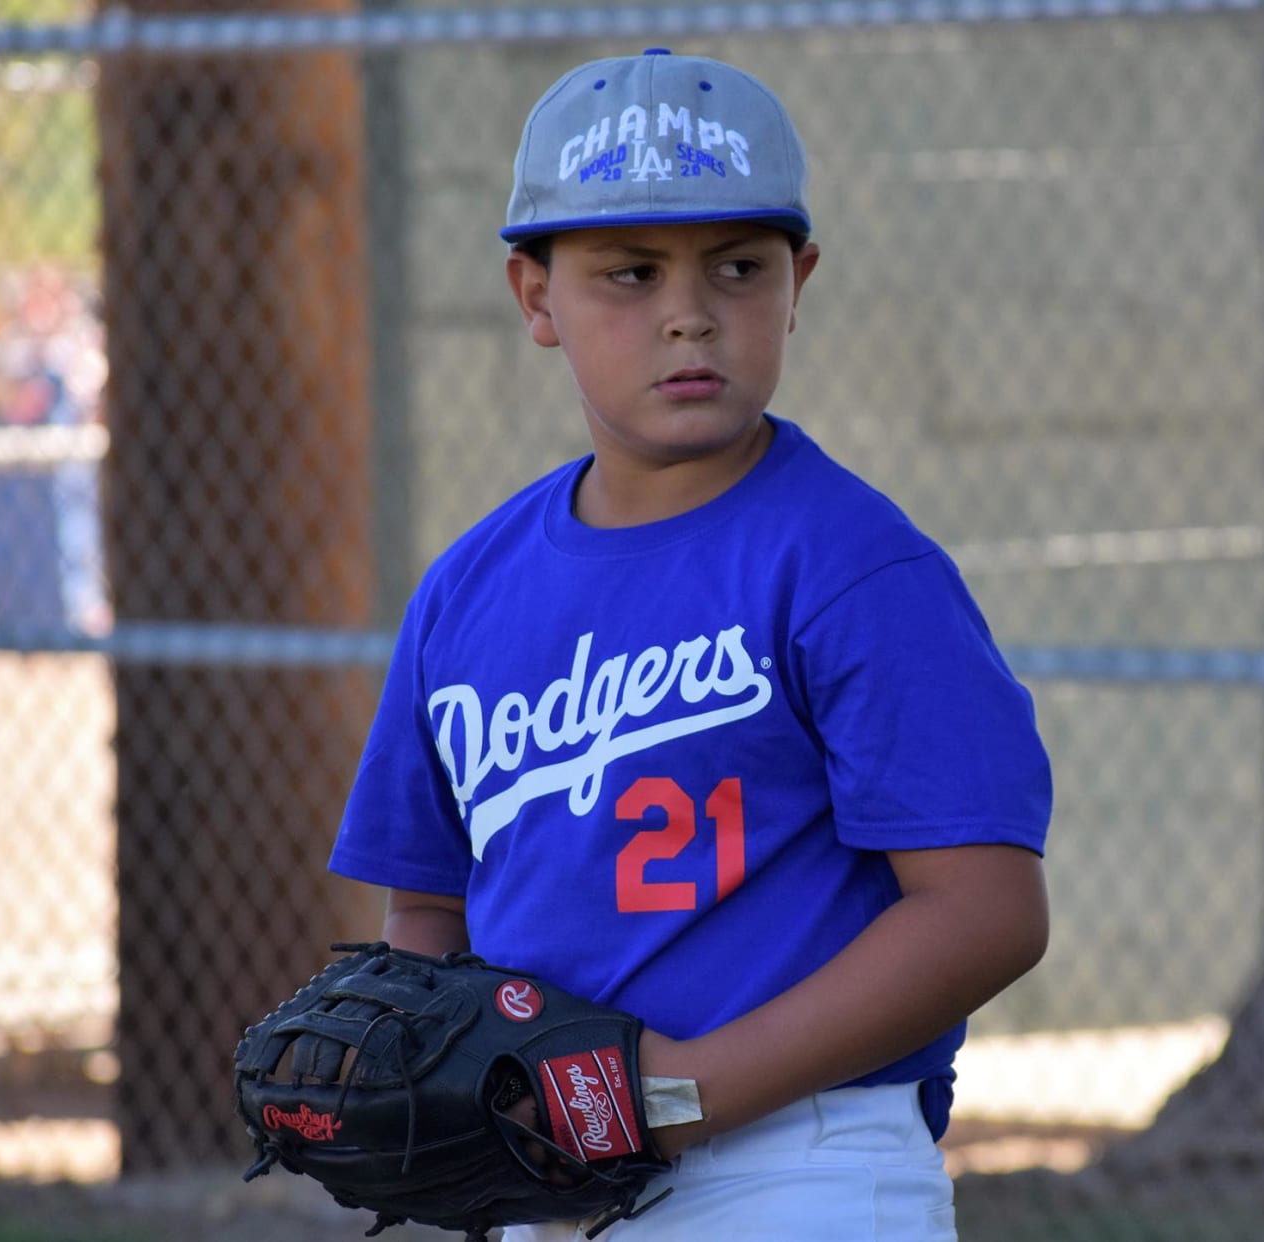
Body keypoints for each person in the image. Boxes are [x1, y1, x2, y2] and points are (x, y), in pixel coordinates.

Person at [329, 47, 1051, 1240]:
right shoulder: (468, 593)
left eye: (736, 266)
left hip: (796, 1164)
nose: (688, 312)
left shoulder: (850, 566)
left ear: (798, 279)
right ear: (535, 297)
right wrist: (443, 1079)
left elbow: (985, 912)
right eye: (629, 269)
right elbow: (428, 912)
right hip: (546, 1173)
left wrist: (672, 1098)